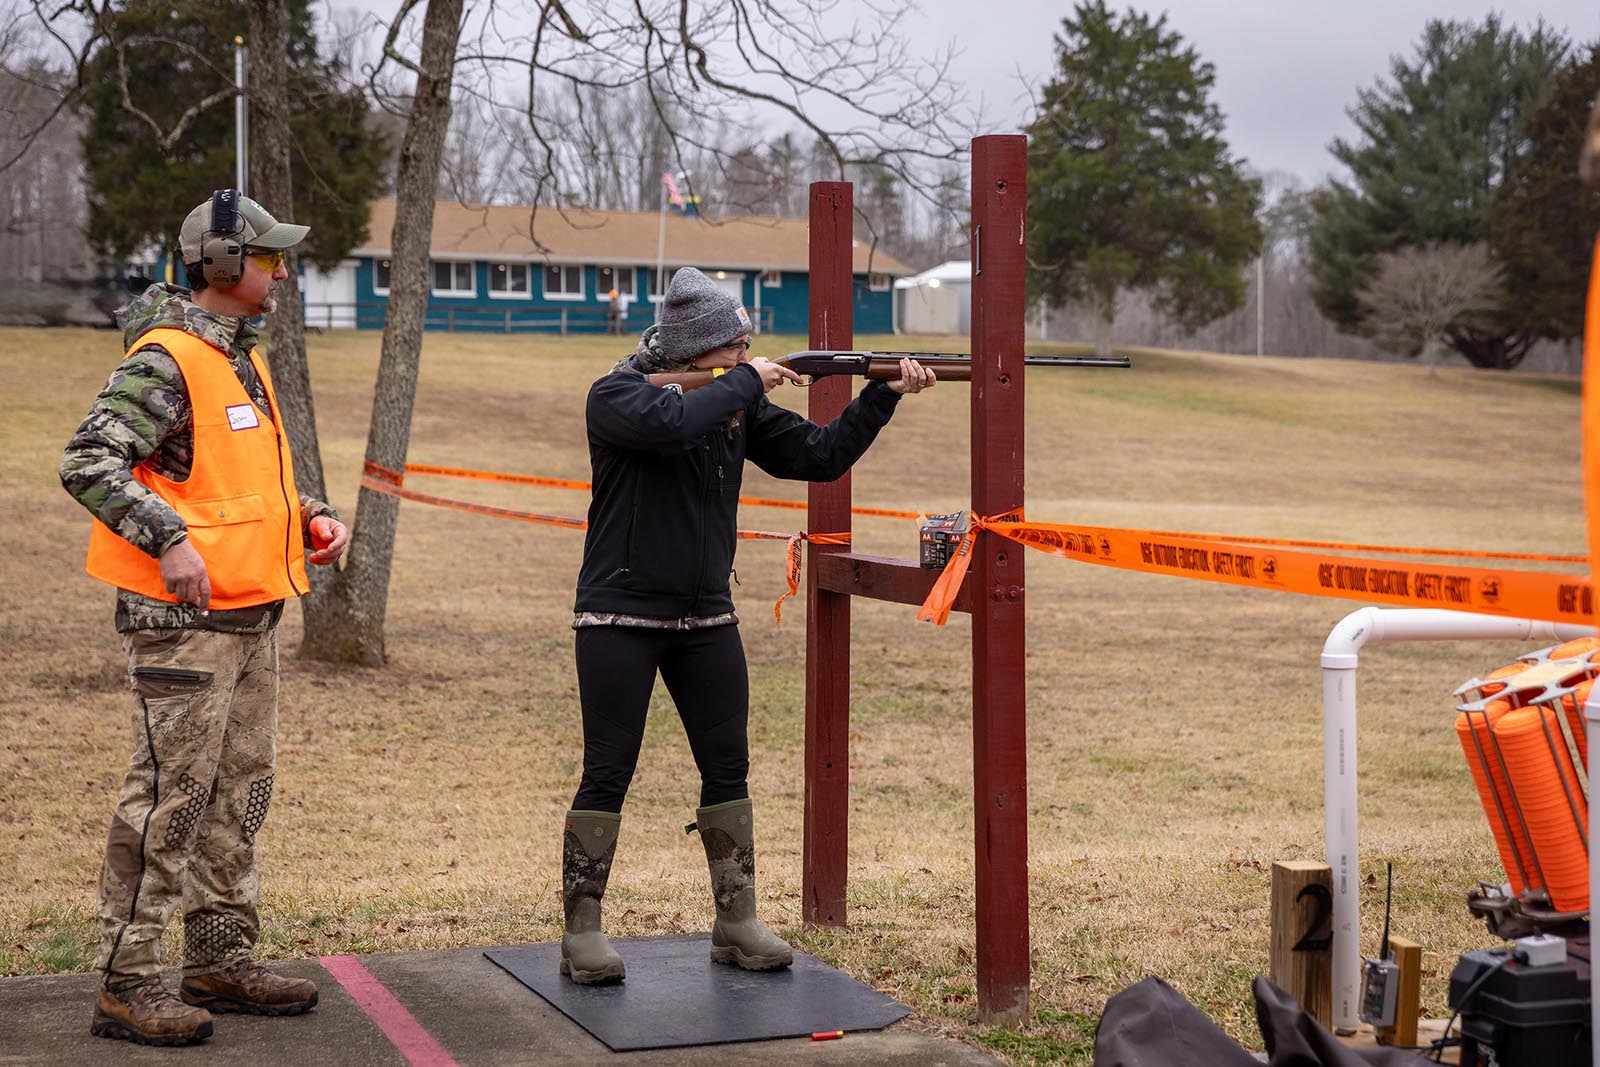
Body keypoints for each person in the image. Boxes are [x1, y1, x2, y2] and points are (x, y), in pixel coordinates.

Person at [558, 266, 934, 983]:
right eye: (733, 344)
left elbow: (818, 458)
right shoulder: (617, 395)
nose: (745, 352)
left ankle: (736, 919)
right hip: (618, 614)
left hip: (706, 614)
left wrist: (881, 394)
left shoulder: (733, 399)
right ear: (697, 347)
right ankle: (583, 930)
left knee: (728, 767)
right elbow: (670, 424)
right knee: (608, 771)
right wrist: (749, 381)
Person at [59, 189, 349, 1046]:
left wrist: (309, 515)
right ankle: (130, 978)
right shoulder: (167, 357)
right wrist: (167, 538)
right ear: (222, 265)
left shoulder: (240, 358)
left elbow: (244, 477)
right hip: (183, 624)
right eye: (269, 258)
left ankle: (221, 957)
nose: (283, 272)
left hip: (251, 616)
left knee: (239, 792)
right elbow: (87, 460)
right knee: (168, 800)